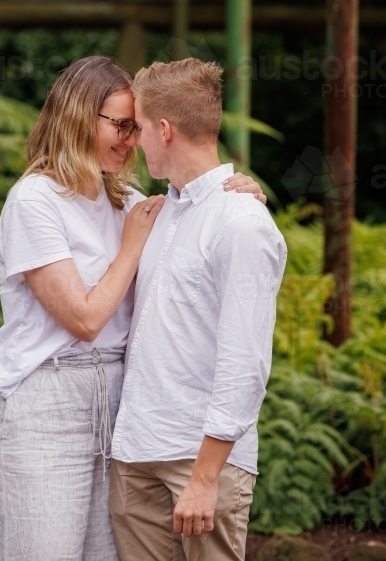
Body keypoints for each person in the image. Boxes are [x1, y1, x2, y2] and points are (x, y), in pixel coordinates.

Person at [0, 55, 266, 561]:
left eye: (137, 127)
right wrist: (132, 245)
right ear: (76, 116)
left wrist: (244, 195)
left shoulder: (131, 200)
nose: (130, 139)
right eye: (119, 125)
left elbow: (207, 225)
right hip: (48, 401)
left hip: (121, 405)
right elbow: (84, 319)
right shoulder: (36, 201)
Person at [108, 58, 288, 561]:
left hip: (200, 461)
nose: (133, 143)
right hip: (135, 453)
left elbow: (245, 362)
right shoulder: (158, 211)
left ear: (163, 130)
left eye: (138, 129)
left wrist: (207, 478)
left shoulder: (241, 222)